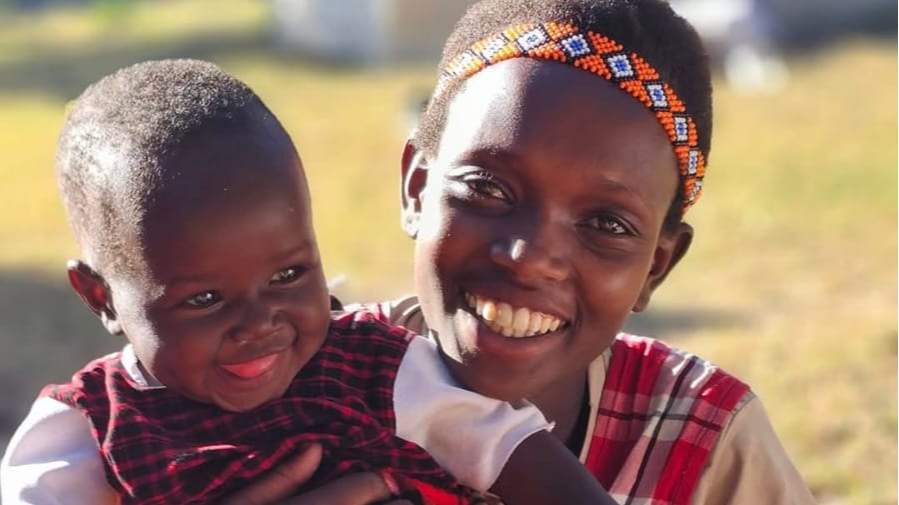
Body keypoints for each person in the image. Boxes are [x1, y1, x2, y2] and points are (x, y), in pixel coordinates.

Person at [232, 0, 817, 503]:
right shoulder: (273, 384)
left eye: (606, 223)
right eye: (487, 189)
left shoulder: (703, 438)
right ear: (417, 186)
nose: (528, 255)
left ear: (656, 267)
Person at [0, 59, 616, 505]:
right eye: (204, 299)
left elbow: (516, 454)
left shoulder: (378, 369)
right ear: (100, 297)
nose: (259, 323)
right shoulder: (86, 426)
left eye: (289, 274)